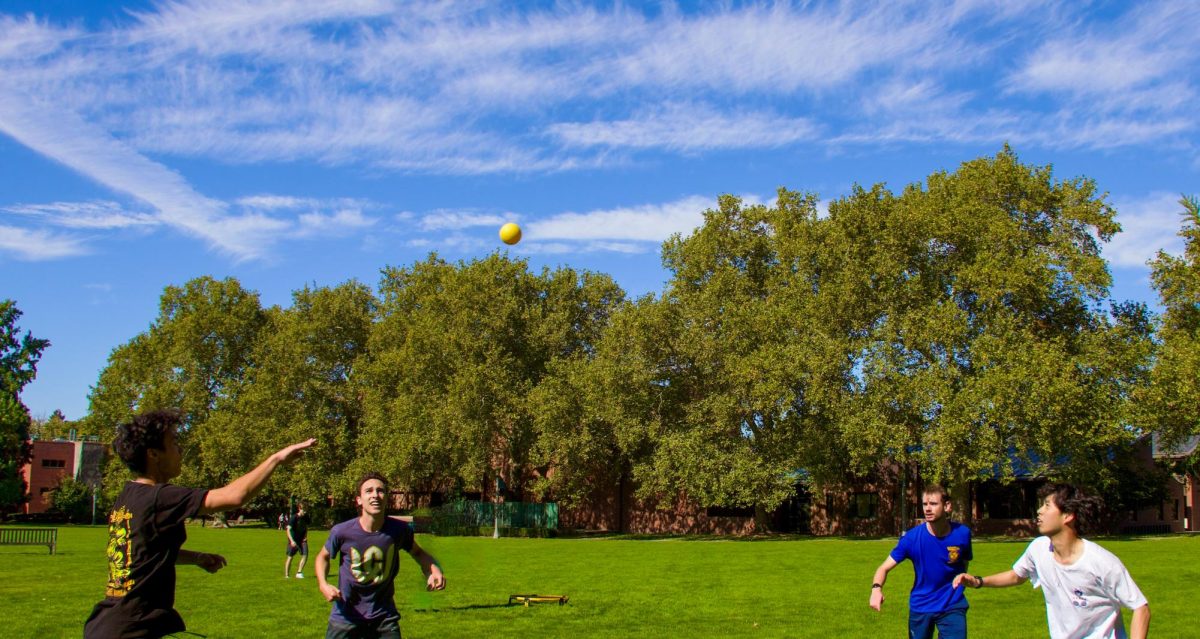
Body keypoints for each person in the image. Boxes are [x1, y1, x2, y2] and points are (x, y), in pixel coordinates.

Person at [84, 409, 316, 638]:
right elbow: (233, 497)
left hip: (111, 623)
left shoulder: (128, 496)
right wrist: (275, 459)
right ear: (153, 454)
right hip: (131, 628)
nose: (180, 450)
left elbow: (143, 553)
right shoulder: (160, 496)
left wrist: (196, 558)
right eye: (174, 443)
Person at [953, 483, 1150, 639]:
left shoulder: (1102, 563)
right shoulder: (1039, 549)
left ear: (1067, 516)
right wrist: (978, 582)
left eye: (1047, 505)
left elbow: (1140, 608)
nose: (1039, 511)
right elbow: (1017, 575)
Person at [316, 472, 446, 639]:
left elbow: (418, 553)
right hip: (346, 617)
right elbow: (323, 557)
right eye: (369, 491)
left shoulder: (399, 530)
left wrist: (433, 569)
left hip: (384, 619)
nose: (375, 495)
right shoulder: (342, 531)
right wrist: (323, 584)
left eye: (380, 491)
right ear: (359, 500)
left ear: (386, 498)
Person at [869, 484, 973, 639]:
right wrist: (876, 589)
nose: (928, 509)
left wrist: (959, 583)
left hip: (952, 604)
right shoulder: (911, 539)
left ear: (947, 506)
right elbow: (883, 568)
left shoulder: (963, 534)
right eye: (925, 504)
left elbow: (963, 563)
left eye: (933, 504)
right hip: (921, 605)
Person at [285, 502, 310, 579]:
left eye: (306, 510)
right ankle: (287, 575)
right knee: (290, 557)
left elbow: (306, 527)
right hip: (293, 540)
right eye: (303, 510)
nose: (305, 512)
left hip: (302, 540)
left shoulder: (306, 517)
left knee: (305, 554)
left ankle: (299, 572)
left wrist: (305, 536)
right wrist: (292, 541)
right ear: (299, 509)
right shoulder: (294, 517)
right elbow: (288, 530)